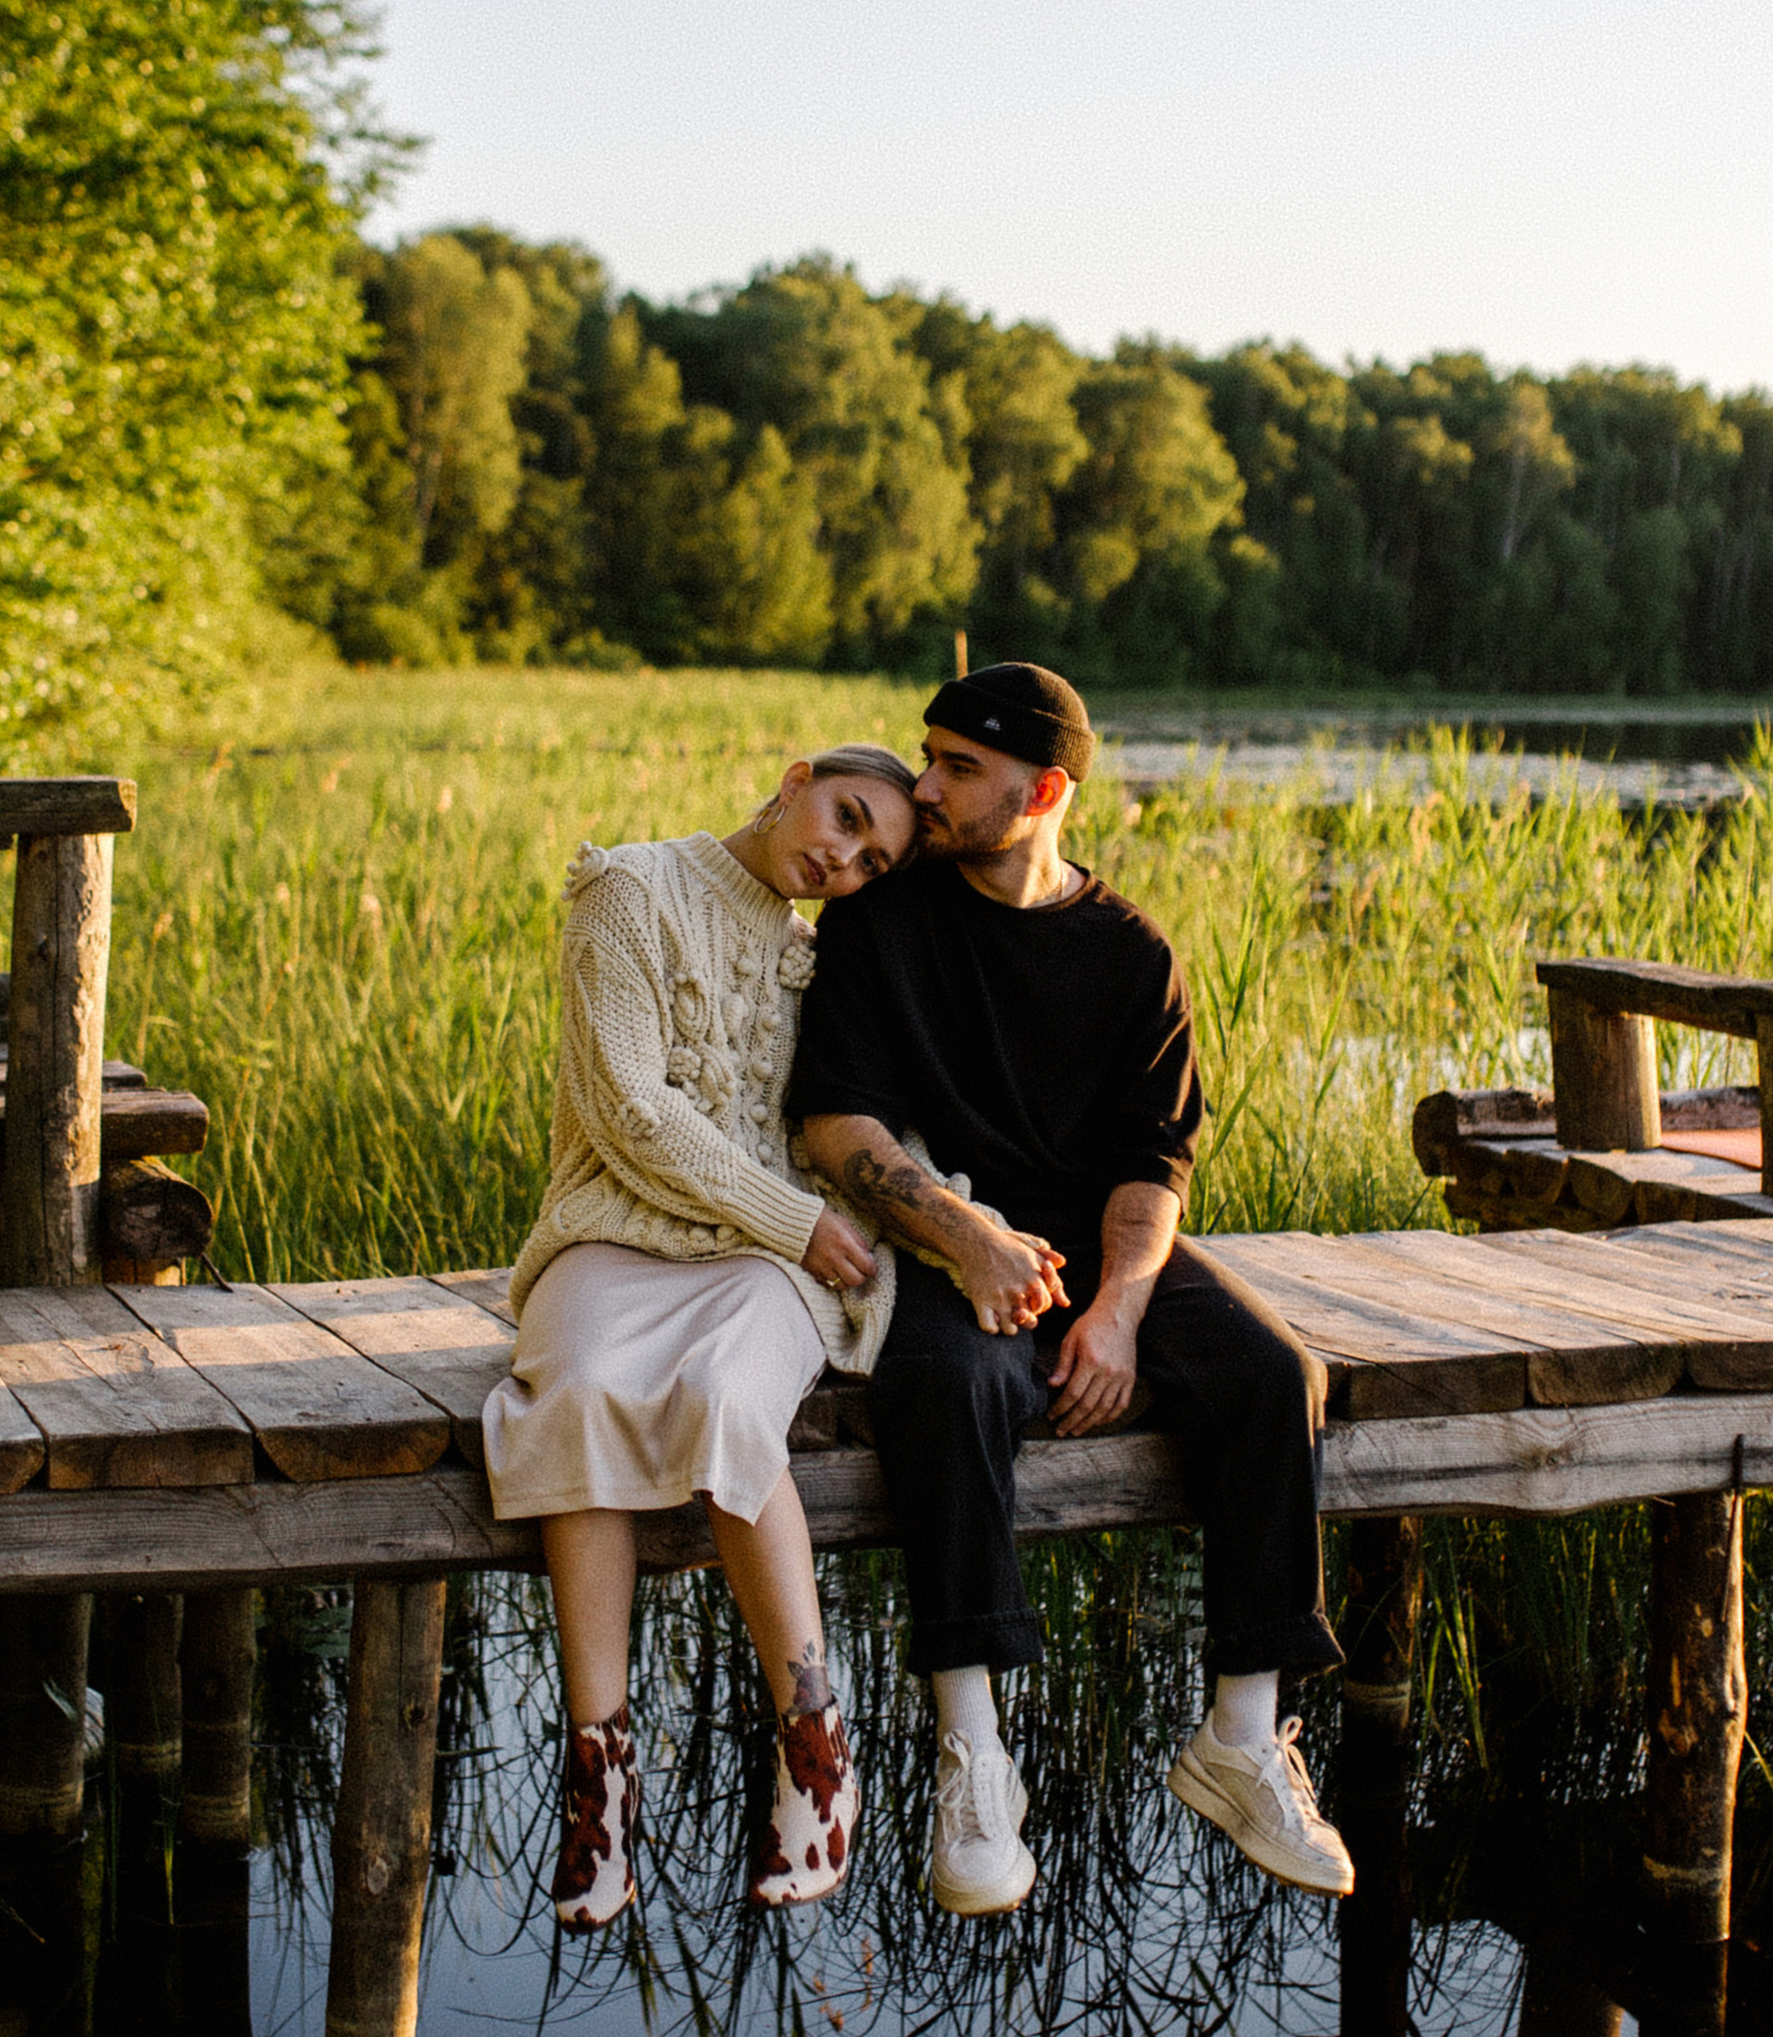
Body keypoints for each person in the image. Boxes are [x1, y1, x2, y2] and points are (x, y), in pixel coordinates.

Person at [790, 660, 1349, 1918]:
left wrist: (1119, 1310)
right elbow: (838, 1124)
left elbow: (1152, 1169)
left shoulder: (1131, 952)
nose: (923, 788)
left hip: (1091, 1238)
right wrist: (962, 1239)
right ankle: (972, 1756)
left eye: (958, 770)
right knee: (948, 1379)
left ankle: (1243, 1739)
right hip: (944, 1225)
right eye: (924, 757)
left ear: (1041, 791)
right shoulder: (885, 923)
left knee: (1274, 1377)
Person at [483, 744, 922, 1933]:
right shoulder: (626, 890)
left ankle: (814, 1746)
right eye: (842, 817)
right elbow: (630, 1108)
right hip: (612, 1234)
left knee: (732, 1399)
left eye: (871, 857)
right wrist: (797, 1215)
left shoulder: (825, 948)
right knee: (573, 1390)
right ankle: (601, 1774)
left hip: (761, 1267)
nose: (841, 856)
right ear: (792, 779)